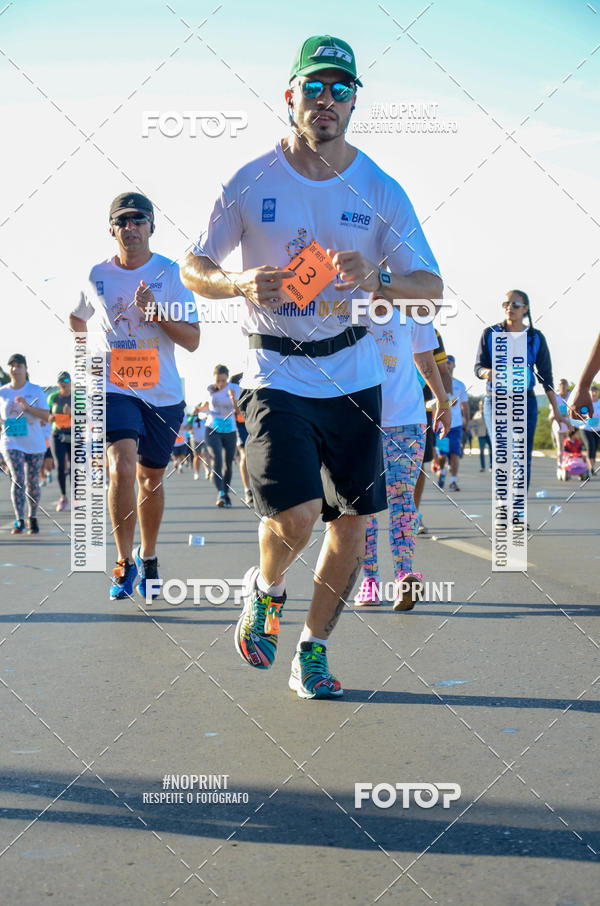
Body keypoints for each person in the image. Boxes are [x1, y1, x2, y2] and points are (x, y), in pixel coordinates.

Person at [181, 34, 442, 699]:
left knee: (351, 526)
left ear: (354, 102)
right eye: (315, 87)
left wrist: (379, 277)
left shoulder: (379, 188)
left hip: (354, 373)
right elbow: (194, 266)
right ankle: (267, 588)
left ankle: (312, 651)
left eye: (341, 89)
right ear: (290, 95)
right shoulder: (249, 180)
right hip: (276, 369)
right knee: (297, 516)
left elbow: (430, 285)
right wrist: (238, 283)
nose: (327, 100)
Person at [69, 191, 199, 600]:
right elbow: (76, 317)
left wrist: (156, 312)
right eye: (122, 221)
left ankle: (150, 555)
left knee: (150, 478)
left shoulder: (171, 274)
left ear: (151, 227)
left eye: (138, 220)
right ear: (112, 230)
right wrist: (86, 358)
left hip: (162, 393)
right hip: (115, 387)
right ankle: (124, 561)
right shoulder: (97, 275)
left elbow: (193, 340)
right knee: (122, 467)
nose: (131, 227)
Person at [354, 306, 451, 610]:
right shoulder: (348, 299)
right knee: (363, 504)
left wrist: (443, 401)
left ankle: (403, 578)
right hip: (358, 417)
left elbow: (424, 357)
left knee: (402, 497)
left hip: (407, 418)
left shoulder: (414, 305)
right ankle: (370, 580)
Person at [474, 290, 563, 490]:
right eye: (506, 304)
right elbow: (478, 367)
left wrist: (557, 411)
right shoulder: (490, 334)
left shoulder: (535, 338)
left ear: (525, 309)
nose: (509, 308)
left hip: (525, 401)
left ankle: (517, 505)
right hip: (496, 400)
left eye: (515, 304)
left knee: (521, 456)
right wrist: (487, 372)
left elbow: (546, 377)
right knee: (502, 452)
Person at [0, 353, 50, 534]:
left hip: (34, 443)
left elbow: (46, 416)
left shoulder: (35, 390)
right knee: (18, 478)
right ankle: (19, 519)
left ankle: (32, 516)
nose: (15, 369)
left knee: (33, 482)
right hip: (11, 442)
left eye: (19, 366)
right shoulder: (3, 392)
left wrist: (27, 407)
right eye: (12, 366)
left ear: (26, 369)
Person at [414, 328, 452, 534]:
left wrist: (446, 401)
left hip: (421, 407)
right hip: (381, 404)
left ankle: (413, 514)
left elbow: (443, 371)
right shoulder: (376, 319)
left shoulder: (430, 331)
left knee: (418, 463)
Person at [203, 364, 239, 507]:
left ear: (227, 379)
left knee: (228, 464)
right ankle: (221, 493)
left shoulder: (234, 389)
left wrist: (232, 397)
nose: (220, 384)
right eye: (218, 380)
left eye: (223, 380)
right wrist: (200, 410)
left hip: (229, 430)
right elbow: (206, 406)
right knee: (217, 460)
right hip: (213, 429)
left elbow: (238, 411)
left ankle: (226, 493)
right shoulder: (210, 389)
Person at [437, 355, 469, 492]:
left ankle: (453, 481)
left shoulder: (460, 385)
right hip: (441, 426)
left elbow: (465, 405)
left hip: (456, 425)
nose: (448, 365)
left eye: (450, 363)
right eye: (445, 363)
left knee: (455, 453)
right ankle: (442, 471)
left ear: (454, 365)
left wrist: (467, 421)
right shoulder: (437, 383)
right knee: (442, 454)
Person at [47, 370, 72, 511]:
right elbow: (48, 414)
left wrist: (72, 413)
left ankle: (76, 498)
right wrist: (50, 418)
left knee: (74, 467)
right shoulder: (52, 397)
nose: (64, 383)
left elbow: (86, 418)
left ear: (71, 382)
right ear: (57, 383)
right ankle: (63, 497)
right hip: (58, 434)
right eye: (61, 380)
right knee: (61, 466)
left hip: (74, 434)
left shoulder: (77, 398)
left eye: (66, 380)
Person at [230, 372, 253, 507]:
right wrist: (233, 399)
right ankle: (247, 490)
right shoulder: (233, 384)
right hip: (240, 425)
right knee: (244, 456)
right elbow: (237, 410)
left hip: (254, 422)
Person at [549, 377, 570, 469]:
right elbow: (551, 415)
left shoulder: (571, 396)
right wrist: (558, 416)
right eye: (561, 384)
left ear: (567, 386)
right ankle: (560, 464)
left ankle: (568, 462)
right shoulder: (555, 397)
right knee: (560, 445)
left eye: (564, 384)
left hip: (570, 423)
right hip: (558, 423)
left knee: (569, 444)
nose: (563, 386)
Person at [188, 406, 211, 480]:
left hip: (204, 439)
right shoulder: (192, 418)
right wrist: (190, 431)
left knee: (205, 455)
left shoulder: (204, 417)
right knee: (197, 456)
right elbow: (188, 427)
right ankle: (196, 473)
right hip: (195, 439)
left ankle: (207, 470)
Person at [582, 386, 600, 476]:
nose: (594, 393)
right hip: (586, 429)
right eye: (592, 391)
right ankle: (591, 467)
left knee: (595, 448)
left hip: (597, 429)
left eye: (596, 391)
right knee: (590, 445)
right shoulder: (586, 403)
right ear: (589, 393)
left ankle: (592, 466)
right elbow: (581, 414)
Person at [471, 399, 492, 472]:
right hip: (481, 435)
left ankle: (491, 466)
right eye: (480, 405)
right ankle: (483, 467)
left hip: (489, 435)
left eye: (482, 405)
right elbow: (472, 424)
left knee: (491, 451)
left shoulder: (491, 413)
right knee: (481, 451)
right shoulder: (477, 414)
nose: (481, 406)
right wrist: (473, 432)